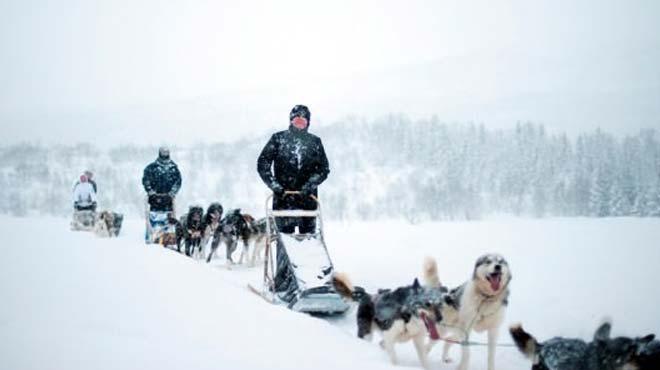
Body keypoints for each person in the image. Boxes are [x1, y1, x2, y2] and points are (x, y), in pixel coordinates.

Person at [257, 104, 330, 234]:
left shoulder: (315, 142)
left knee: (308, 242)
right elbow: (263, 163)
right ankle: (283, 254)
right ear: (291, 121)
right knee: (284, 242)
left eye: (303, 121)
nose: (300, 124)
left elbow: (323, 169)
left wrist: (310, 185)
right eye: (297, 121)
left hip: (307, 201)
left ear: (308, 123)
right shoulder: (278, 139)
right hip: (283, 200)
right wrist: (275, 186)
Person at [142, 147, 182, 212]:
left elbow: (178, 182)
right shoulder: (152, 168)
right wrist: (150, 191)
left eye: (166, 153)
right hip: (154, 198)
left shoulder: (173, 168)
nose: (164, 155)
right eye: (163, 153)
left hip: (169, 199)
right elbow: (146, 180)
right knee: (153, 217)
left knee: (169, 219)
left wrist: (172, 193)